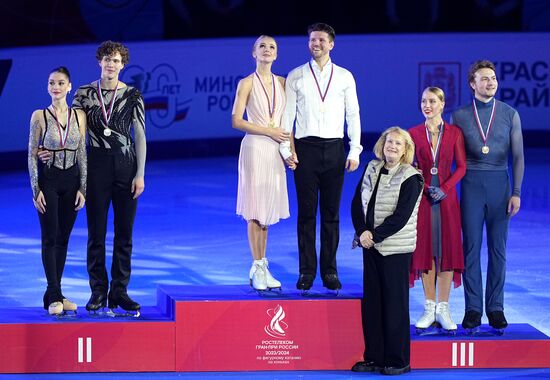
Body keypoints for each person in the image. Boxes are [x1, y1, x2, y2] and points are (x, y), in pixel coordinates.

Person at [38, 41, 146, 315]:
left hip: (126, 164)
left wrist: (140, 173)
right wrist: (47, 149)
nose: (111, 64)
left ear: (123, 65)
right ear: (99, 61)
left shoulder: (133, 94)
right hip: (96, 163)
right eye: (107, 59)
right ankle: (98, 290)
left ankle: (119, 291)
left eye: (117, 60)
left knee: (125, 233)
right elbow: (68, 128)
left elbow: (141, 136)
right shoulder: (85, 93)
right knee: (96, 233)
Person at [281, 22, 362, 292]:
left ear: (331, 44)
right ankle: (306, 271)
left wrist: (355, 149)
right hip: (305, 150)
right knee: (305, 214)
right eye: (312, 40)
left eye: (321, 40)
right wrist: (286, 149)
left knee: (331, 214)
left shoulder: (345, 76)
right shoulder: (296, 75)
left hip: (335, 149)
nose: (316, 44)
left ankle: (329, 271)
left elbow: (353, 115)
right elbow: (287, 116)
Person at [451, 60, 524, 332]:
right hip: (471, 185)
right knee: (470, 248)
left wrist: (515, 191)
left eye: (493, 78)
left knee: (498, 250)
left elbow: (518, 157)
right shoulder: (458, 116)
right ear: (473, 84)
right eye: (484, 79)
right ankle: (472, 309)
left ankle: (495, 308)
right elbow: (452, 158)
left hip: (499, 186)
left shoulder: (509, 113)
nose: (490, 82)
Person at [350, 127, 422, 375]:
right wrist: (362, 232)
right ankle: (375, 357)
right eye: (389, 141)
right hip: (370, 246)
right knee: (373, 304)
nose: (392, 146)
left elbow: (401, 216)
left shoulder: (411, 177)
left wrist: (374, 236)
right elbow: (356, 203)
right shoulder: (372, 167)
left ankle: (398, 359)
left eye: (398, 144)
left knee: (394, 304)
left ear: (406, 150)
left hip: (395, 249)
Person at [231, 35, 291, 291]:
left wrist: (290, 151)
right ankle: (257, 265)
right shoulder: (246, 83)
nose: (267, 50)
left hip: (276, 149)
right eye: (262, 47)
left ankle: (263, 265)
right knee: (255, 211)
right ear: (253, 53)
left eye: (272, 47)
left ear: (276, 55)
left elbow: (288, 122)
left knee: (266, 212)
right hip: (255, 147)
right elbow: (236, 120)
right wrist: (269, 132)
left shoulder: (283, 82)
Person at [28, 67, 87, 315]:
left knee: (63, 238)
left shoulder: (79, 116)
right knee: (50, 237)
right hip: (49, 181)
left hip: (72, 180)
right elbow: (32, 154)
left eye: (61, 83)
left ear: (69, 86)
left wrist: (83, 187)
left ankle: (55, 293)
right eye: (52, 82)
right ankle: (54, 295)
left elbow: (83, 152)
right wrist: (36, 189)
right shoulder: (39, 116)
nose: (56, 87)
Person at [409, 87, 466, 333]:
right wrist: (421, 185)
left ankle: (444, 308)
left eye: (432, 101)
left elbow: (462, 167)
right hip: (423, 200)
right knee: (426, 250)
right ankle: (429, 306)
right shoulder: (412, 133)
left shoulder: (454, 133)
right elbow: (409, 166)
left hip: (447, 199)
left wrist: (444, 187)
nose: (427, 105)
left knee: (447, 251)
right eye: (423, 101)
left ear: (443, 104)